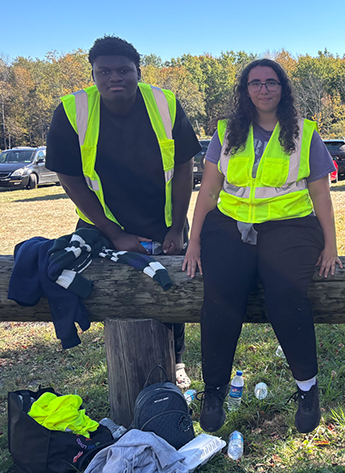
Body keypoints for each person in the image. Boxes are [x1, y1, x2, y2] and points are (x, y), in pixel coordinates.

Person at [182, 59, 340, 434]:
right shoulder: (226, 131)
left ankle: (307, 389)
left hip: (291, 227)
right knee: (220, 296)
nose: (264, 89)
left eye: (271, 82)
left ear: (283, 89)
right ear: (245, 90)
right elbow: (207, 191)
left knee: (285, 294)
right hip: (231, 225)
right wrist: (193, 242)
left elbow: (321, 195)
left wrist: (331, 245)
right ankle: (216, 391)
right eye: (255, 83)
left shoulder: (304, 132)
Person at [46, 36, 200, 389]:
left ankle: (177, 361)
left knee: (172, 292)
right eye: (104, 71)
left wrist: (176, 229)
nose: (114, 77)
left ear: (137, 72)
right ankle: (126, 369)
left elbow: (184, 169)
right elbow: (70, 180)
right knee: (115, 294)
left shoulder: (165, 103)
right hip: (103, 224)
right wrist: (114, 234)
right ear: (94, 74)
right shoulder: (72, 110)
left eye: (123, 70)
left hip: (163, 220)